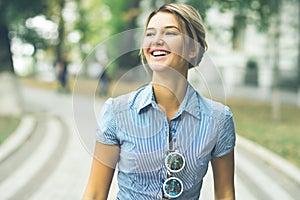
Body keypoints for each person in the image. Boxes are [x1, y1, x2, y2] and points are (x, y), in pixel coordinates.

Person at [83, 3, 236, 200]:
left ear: (192, 49)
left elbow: (225, 194)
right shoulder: (116, 112)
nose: (156, 40)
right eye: (150, 34)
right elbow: (95, 194)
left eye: (170, 33)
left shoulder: (219, 119)